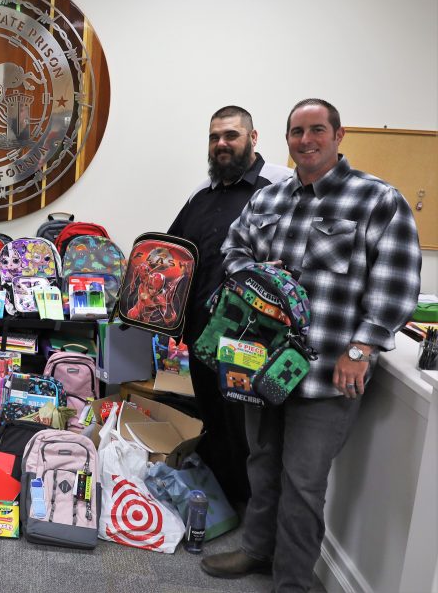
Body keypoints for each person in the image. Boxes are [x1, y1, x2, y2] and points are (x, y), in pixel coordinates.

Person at [201, 99, 421, 592]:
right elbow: (233, 249)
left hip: (326, 373)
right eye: (297, 132)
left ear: (338, 135)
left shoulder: (377, 200)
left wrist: (362, 349)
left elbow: (396, 287)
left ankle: (293, 583)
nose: (306, 140)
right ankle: (257, 550)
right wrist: (255, 275)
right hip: (262, 364)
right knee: (261, 462)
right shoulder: (270, 199)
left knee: (303, 483)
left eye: (317, 130)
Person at [167, 105, 290, 505]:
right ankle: (221, 505)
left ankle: (251, 519)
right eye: (214, 136)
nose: (221, 144)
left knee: (252, 434)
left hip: (254, 339)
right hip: (202, 337)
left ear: (253, 139)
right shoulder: (200, 194)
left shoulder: (282, 187)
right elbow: (173, 255)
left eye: (231, 135)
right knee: (214, 422)